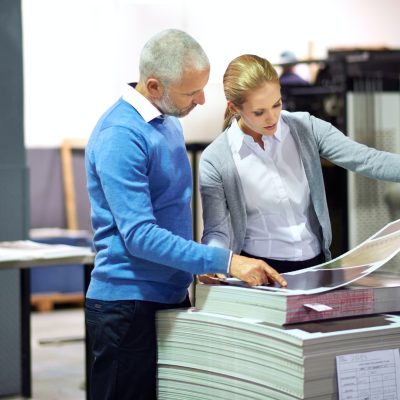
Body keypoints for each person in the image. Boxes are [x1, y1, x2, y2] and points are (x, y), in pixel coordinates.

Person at [84, 32, 286, 400]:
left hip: (168, 296)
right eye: (191, 93)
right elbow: (140, 235)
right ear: (154, 85)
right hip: (128, 307)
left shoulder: (166, 119)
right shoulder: (120, 135)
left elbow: (169, 214)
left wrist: (196, 264)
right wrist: (225, 260)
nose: (203, 100)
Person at [199, 54, 400, 278]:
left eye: (277, 104)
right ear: (234, 108)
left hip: (315, 265)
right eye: (259, 112)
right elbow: (216, 230)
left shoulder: (305, 128)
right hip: (260, 273)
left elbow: (367, 159)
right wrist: (214, 263)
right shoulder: (216, 159)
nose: (272, 117)